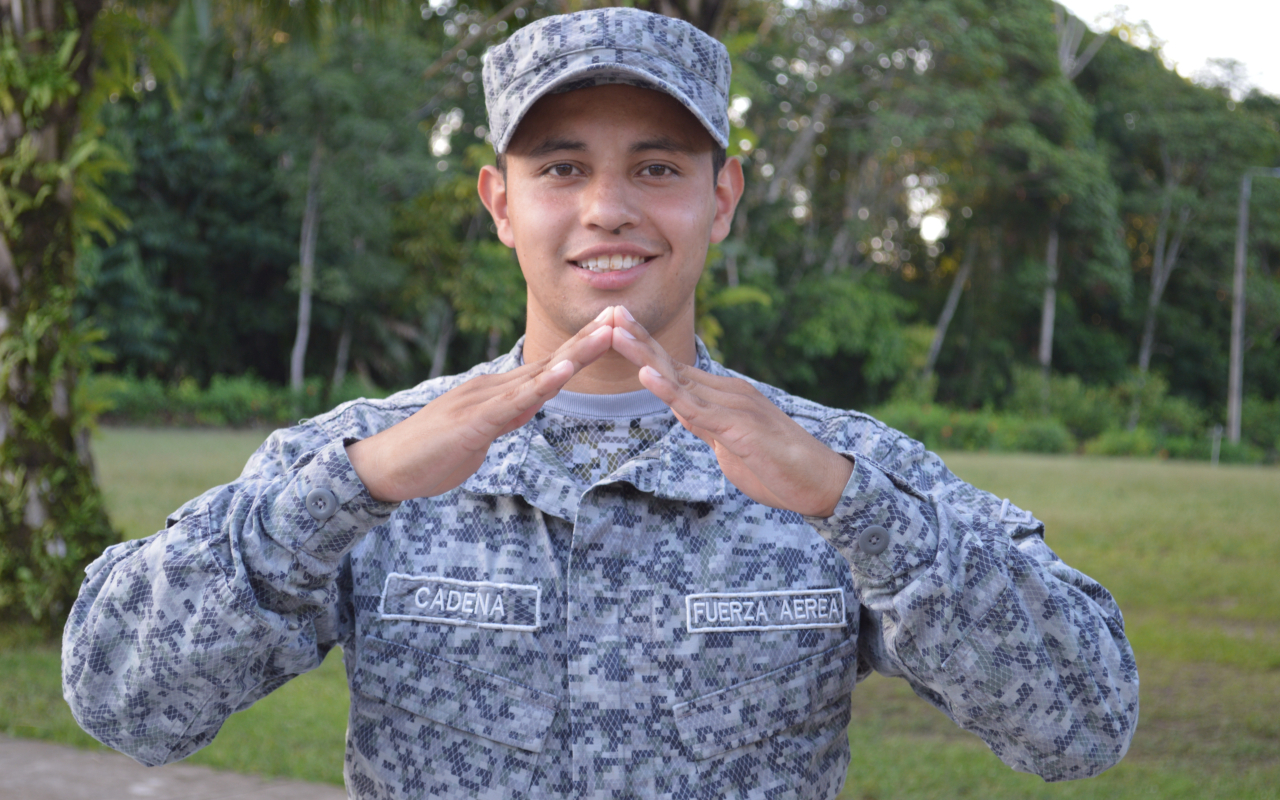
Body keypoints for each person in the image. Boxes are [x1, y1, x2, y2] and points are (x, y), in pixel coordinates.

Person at [62, 7, 1138, 799]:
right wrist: (351, 489)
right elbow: (122, 700)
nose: (609, 208)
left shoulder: (835, 467)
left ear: (721, 198)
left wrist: (854, 507)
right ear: (500, 202)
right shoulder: (368, 458)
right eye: (562, 168)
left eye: (657, 167)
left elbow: (1083, 725)